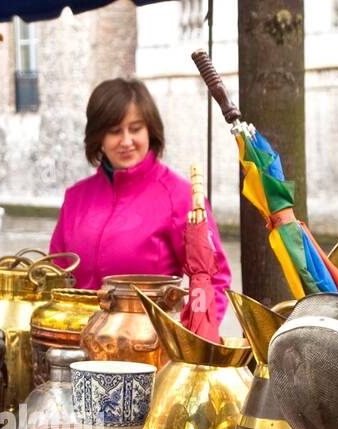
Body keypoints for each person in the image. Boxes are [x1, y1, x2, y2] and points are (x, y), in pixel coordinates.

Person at [50, 78, 232, 327]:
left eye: (135, 129)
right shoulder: (75, 198)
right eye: (115, 131)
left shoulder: (180, 196)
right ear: (98, 137)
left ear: (150, 131)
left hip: (151, 352)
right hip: (75, 348)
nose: (126, 141)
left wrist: (190, 341)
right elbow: (54, 278)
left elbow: (214, 279)